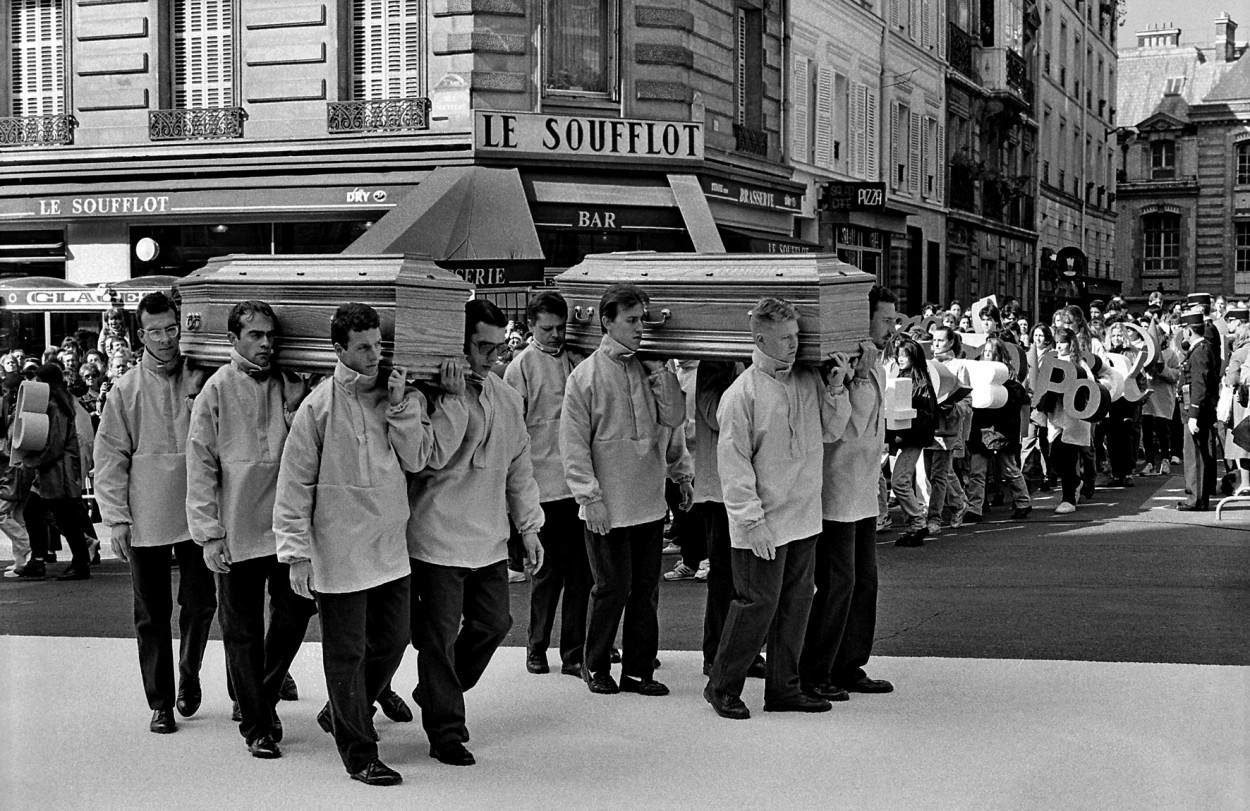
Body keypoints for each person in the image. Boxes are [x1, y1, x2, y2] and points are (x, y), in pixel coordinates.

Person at [274, 302, 464, 786]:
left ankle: (342, 711)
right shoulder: (317, 406)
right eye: (363, 347)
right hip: (337, 550)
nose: (375, 353)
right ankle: (360, 753)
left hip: (389, 546)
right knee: (345, 653)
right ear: (339, 350)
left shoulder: (397, 395)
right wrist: (296, 553)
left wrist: (402, 407)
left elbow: (420, 459)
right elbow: (294, 484)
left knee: (395, 639)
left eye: (378, 344)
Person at [408, 300, 542, 767]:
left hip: (489, 540)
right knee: (438, 640)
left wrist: (529, 528)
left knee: (495, 624)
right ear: (458, 346)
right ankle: (446, 731)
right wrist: (449, 401)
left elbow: (519, 467)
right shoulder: (430, 392)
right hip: (435, 536)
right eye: (481, 347)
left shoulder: (505, 396)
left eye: (497, 346)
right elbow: (429, 460)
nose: (491, 356)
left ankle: (433, 691)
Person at [185, 301, 317, 760]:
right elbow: (200, 464)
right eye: (256, 335)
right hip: (236, 528)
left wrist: (298, 401)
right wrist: (209, 532)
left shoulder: (289, 384)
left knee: (297, 610)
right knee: (239, 629)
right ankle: (258, 725)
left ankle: (259, 694)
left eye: (270, 335)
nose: (266, 343)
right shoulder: (215, 390)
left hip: (284, 528)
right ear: (233, 340)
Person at [703, 297, 842, 720]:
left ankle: (784, 688)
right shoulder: (741, 394)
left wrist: (835, 390)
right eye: (785, 338)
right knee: (755, 604)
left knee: (796, 604)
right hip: (762, 522)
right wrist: (751, 521)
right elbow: (734, 465)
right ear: (760, 338)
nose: (794, 344)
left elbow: (832, 432)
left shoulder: (806, 380)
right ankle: (722, 686)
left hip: (803, 516)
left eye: (797, 336)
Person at [560, 283, 693, 697]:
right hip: (607, 506)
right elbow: (573, 444)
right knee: (611, 589)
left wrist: (682, 473)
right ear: (607, 321)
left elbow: (672, 423)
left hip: (649, 502)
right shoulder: (584, 377)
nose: (640, 329)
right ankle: (595, 664)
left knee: (645, 592)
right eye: (632, 320)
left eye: (642, 320)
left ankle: (638, 670)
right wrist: (589, 498)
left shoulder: (650, 370)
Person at [93, 292, 216, 734]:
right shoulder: (125, 389)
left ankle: (189, 674)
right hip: (145, 514)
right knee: (151, 612)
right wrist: (117, 519)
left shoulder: (203, 379)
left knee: (201, 604)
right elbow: (109, 458)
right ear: (140, 335)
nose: (165, 339)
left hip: (199, 511)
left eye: (171, 328)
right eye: (156, 331)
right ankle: (161, 701)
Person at [801, 284, 897, 701]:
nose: (893, 328)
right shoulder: (842, 366)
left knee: (865, 583)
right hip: (835, 491)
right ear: (865, 319)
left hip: (861, 490)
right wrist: (854, 380)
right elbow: (846, 428)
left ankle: (850, 663)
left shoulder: (872, 363)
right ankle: (817, 670)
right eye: (887, 319)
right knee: (838, 583)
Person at [502, 291, 591, 679]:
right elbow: (513, 432)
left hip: (580, 485)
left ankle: (573, 652)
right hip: (544, 486)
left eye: (560, 327)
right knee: (547, 574)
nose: (556, 334)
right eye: (547, 328)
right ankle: (536, 647)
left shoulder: (577, 360)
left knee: (582, 575)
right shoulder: (520, 368)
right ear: (532, 326)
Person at [964, 336, 1032, 520]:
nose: (986, 356)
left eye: (990, 353)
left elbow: (1019, 400)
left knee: (1009, 468)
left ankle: (1023, 502)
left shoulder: (1011, 382)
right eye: (985, 353)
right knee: (977, 470)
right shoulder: (978, 378)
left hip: (1002, 429)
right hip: (981, 427)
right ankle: (974, 508)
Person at [886, 336, 938, 546]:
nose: (899, 359)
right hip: (903, 438)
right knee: (901, 482)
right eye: (898, 355)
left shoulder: (921, 383)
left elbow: (927, 416)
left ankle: (917, 523)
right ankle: (915, 523)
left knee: (899, 482)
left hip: (911, 439)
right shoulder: (901, 378)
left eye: (904, 355)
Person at [1177, 307, 1221, 511]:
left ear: (1187, 330)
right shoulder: (1203, 348)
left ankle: (1196, 498)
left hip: (1196, 411)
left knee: (1194, 455)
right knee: (1198, 453)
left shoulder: (1200, 351)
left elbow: (1199, 384)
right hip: (1197, 409)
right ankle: (1198, 496)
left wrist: (1193, 414)